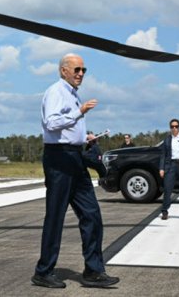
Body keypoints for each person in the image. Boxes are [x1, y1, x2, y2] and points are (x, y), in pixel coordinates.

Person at [31, 54, 119, 289]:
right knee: (55, 217)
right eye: (77, 69)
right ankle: (43, 271)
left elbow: (68, 127)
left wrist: (85, 137)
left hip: (75, 157)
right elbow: (51, 123)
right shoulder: (55, 92)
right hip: (58, 159)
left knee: (91, 214)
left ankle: (93, 270)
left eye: (84, 70)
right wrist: (79, 112)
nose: (81, 74)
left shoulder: (71, 93)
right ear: (63, 71)